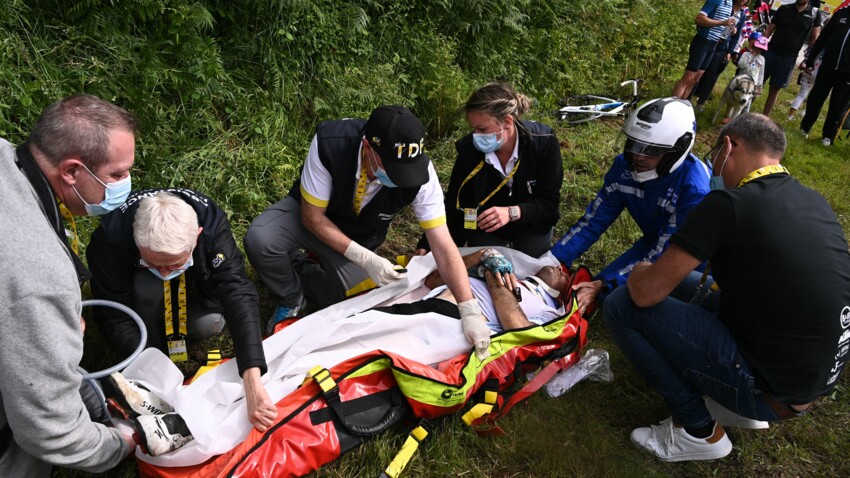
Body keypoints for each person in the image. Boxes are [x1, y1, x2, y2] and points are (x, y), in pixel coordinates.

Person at [605, 113, 850, 462]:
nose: (713, 164)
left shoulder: (728, 203)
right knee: (687, 285)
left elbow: (647, 292)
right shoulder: (813, 200)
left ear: (729, 146)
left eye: (715, 150)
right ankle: (732, 400)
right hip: (806, 385)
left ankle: (698, 431)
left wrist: (641, 270)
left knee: (622, 305)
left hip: (768, 390)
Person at [244, 105, 491, 357]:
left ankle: (301, 268)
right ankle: (290, 297)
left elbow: (443, 247)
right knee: (261, 238)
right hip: (313, 217)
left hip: (358, 237)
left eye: (406, 170)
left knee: (360, 307)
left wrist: (468, 308)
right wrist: (366, 260)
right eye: (393, 167)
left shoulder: (422, 175)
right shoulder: (332, 143)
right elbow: (311, 217)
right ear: (367, 147)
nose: (400, 178)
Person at [0, 94, 137, 476]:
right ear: (72, 171)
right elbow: (48, 431)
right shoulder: (40, 279)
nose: (126, 184)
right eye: (117, 174)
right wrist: (116, 445)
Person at [86, 188, 277, 432]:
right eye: (154, 263)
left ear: (197, 236)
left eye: (175, 264)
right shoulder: (112, 238)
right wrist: (150, 368)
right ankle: (152, 341)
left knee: (210, 323)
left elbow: (237, 292)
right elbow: (114, 314)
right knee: (147, 294)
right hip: (141, 293)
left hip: (196, 287)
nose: (165, 273)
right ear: (135, 240)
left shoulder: (210, 226)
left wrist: (252, 380)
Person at [549, 98, 710, 314]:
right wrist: (554, 260)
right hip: (656, 241)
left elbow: (666, 252)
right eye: (633, 145)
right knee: (598, 291)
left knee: (616, 298)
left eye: (651, 150)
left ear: (677, 150)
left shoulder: (695, 190)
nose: (637, 156)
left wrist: (606, 284)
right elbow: (593, 220)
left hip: (692, 260)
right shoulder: (623, 167)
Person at [416, 82, 563, 258]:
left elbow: (549, 202)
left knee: (532, 268)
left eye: (482, 129)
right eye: (473, 129)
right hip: (486, 229)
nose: (476, 136)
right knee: (486, 269)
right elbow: (455, 202)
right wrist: (429, 244)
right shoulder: (469, 151)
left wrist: (512, 212)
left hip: (532, 224)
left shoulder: (543, 142)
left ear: (507, 122)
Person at [761, 0, 823, 116]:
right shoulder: (784, 8)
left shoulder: (815, 13)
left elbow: (814, 40)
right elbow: (769, 29)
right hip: (770, 53)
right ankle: (744, 114)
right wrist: (758, 47)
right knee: (757, 84)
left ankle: (764, 118)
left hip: (789, 58)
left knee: (775, 89)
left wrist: (808, 60)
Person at [799, 4, 850, 146]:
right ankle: (805, 127)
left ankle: (828, 136)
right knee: (816, 98)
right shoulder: (841, 14)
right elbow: (823, 38)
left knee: (838, 105)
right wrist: (810, 59)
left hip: (847, 74)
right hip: (827, 66)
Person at [691, 0, 751, 111]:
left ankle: (700, 103)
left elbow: (736, 35)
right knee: (698, 73)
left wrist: (730, 52)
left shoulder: (743, 14)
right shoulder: (726, 5)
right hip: (711, 40)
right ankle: (688, 98)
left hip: (723, 47)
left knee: (712, 76)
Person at [673, 0, 738, 99]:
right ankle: (671, 106)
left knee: (695, 79)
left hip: (713, 44)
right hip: (703, 41)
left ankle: (681, 105)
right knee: (688, 78)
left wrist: (730, 30)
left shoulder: (729, 2)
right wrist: (722, 22)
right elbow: (699, 19)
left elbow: (722, 25)